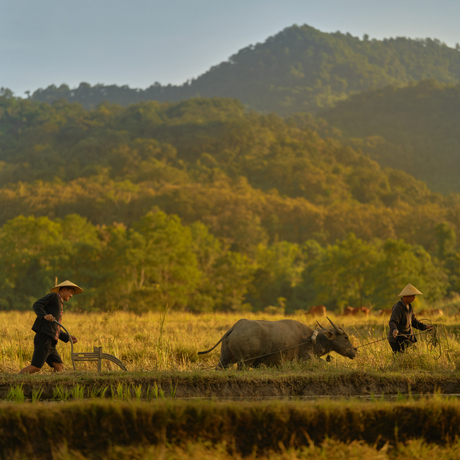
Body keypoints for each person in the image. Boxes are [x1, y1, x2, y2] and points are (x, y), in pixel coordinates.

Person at [19, 280, 83, 374]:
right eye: (71, 292)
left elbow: (55, 327)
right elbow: (37, 305)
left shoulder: (59, 303)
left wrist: (67, 337)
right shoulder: (54, 296)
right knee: (35, 367)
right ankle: (15, 381)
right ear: (64, 289)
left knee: (59, 366)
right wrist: (44, 315)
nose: (71, 295)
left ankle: (54, 387)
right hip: (44, 338)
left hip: (50, 341)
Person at [387, 283, 433, 353]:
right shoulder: (398, 307)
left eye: (414, 296)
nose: (414, 298)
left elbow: (414, 321)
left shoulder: (409, 306)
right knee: (412, 353)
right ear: (405, 296)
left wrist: (425, 327)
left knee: (404, 357)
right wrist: (394, 329)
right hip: (397, 338)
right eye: (412, 296)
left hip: (406, 337)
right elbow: (392, 321)